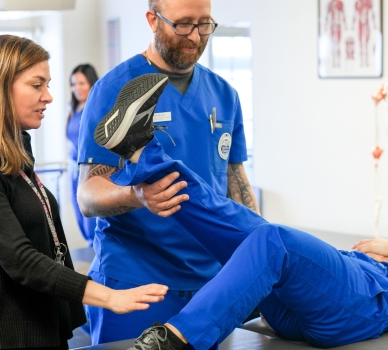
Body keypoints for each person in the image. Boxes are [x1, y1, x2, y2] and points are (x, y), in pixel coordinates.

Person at [91, 74, 388, 350]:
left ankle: (177, 340)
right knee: (235, 224)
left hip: (361, 306)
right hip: (307, 308)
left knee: (273, 238)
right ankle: (141, 150)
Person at [0, 35, 168, 350]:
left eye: (47, 85)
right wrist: (108, 297)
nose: (48, 97)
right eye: (36, 85)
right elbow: (20, 259)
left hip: (37, 325)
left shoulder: (13, 151)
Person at [76, 0, 260, 344]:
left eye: (204, 24)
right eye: (183, 24)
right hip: (136, 283)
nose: (196, 36)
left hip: (210, 284)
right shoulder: (115, 88)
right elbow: (88, 196)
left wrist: (263, 255)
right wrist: (137, 196)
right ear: (153, 20)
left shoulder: (224, 94)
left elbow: (236, 185)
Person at [67, 64, 99, 245]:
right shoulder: (72, 108)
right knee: (79, 214)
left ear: (91, 83)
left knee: (90, 217)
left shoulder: (96, 108)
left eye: (81, 83)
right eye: (73, 84)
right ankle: (90, 245)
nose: (76, 88)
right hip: (74, 170)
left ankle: (95, 248)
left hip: (90, 169)